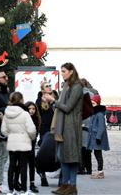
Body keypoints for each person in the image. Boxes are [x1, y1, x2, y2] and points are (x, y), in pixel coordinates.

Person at [44, 62, 83, 195]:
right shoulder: (66, 85)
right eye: (61, 71)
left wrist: (54, 100)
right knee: (62, 156)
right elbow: (61, 106)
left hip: (71, 126)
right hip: (62, 126)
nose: (62, 73)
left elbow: (68, 107)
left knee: (71, 156)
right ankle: (65, 184)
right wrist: (52, 102)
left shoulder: (77, 86)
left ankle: (72, 186)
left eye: (64, 71)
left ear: (71, 72)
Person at [1, 92, 36, 195]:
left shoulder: (6, 113)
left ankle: (11, 189)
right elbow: (32, 130)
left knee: (12, 165)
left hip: (12, 142)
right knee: (23, 166)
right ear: (21, 100)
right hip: (24, 143)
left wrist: (11, 135)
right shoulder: (25, 113)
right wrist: (31, 137)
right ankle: (24, 189)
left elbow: (3, 130)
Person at [35, 81, 58, 186]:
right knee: (45, 152)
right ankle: (42, 173)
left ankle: (60, 177)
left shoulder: (54, 100)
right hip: (45, 131)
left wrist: (53, 101)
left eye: (50, 86)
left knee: (58, 153)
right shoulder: (39, 101)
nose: (49, 87)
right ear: (42, 89)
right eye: (47, 86)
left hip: (56, 130)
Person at [87, 94, 110, 179]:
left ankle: (100, 172)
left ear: (97, 103)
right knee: (96, 154)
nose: (92, 105)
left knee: (98, 154)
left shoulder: (99, 114)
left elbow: (101, 127)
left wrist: (98, 137)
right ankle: (99, 171)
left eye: (93, 103)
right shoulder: (94, 113)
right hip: (94, 137)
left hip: (97, 138)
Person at [25, 101, 41, 193]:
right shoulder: (23, 118)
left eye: (33, 109)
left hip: (31, 145)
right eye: (29, 108)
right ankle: (19, 182)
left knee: (32, 165)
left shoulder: (36, 119)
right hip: (23, 145)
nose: (31, 111)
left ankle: (32, 183)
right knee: (21, 166)